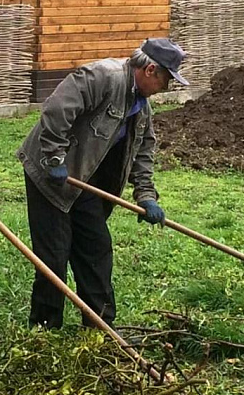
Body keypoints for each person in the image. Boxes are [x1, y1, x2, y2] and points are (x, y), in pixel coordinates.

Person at [17, 38, 189, 331]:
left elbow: (143, 151)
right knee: (54, 258)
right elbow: (57, 109)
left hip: (85, 183)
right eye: (166, 80)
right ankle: (44, 331)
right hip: (50, 177)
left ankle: (100, 327)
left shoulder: (141, 107)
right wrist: (55, 157)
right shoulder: (102, 77)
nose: (166, 88)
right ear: (150, 70)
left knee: (96, 250)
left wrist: (146, 195)